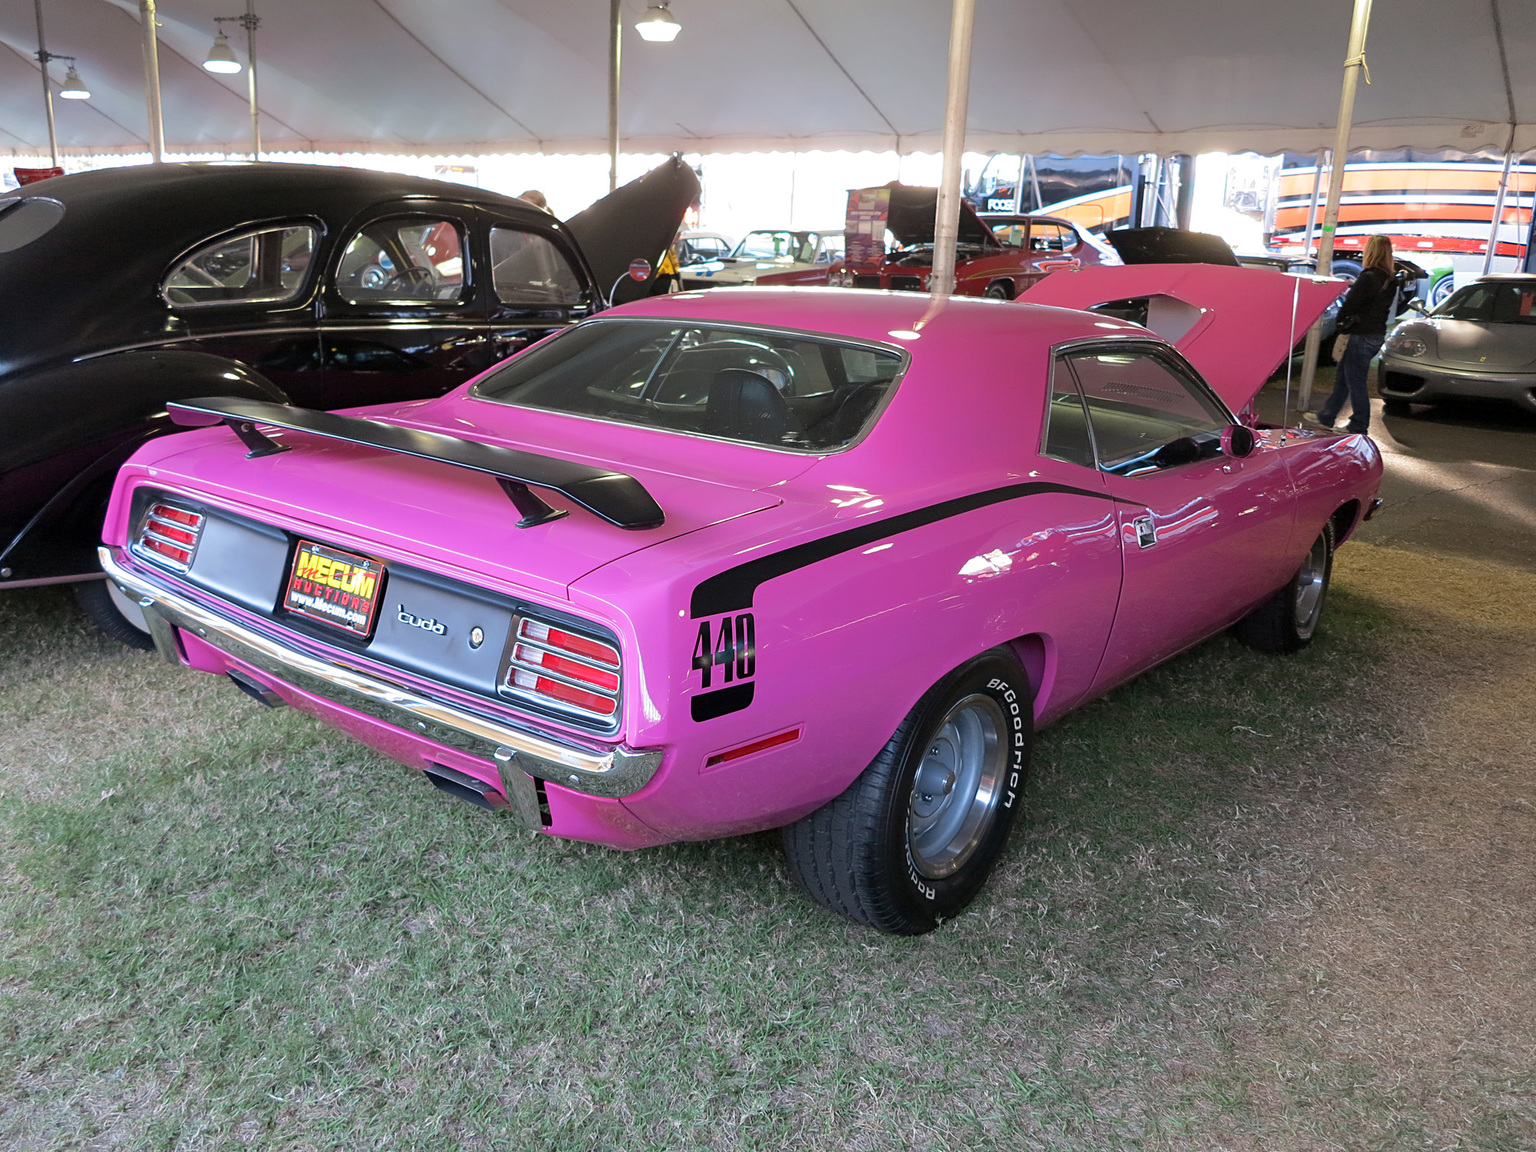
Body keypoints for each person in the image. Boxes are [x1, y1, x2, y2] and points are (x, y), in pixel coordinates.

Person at [1312, 234, 1400, 434]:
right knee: (1345, 377)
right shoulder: (1390, 279)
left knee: (1354, 382)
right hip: (1375, 333)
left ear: (1371, 252)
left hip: (1360, 335)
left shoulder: (1368, 277)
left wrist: (1341, 322)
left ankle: (1359, 423)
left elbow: (1351, 304)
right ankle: (1327, 416)